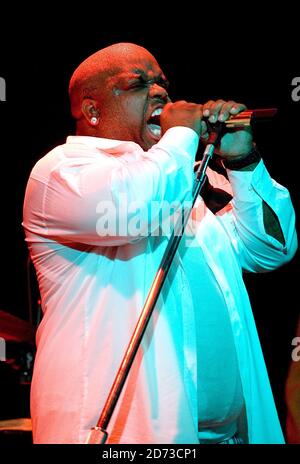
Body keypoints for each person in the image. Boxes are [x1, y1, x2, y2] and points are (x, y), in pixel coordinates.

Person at [22, 42, 297, 444]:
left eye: (163, 83)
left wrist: (242, 161)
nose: (161, 93)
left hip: (228, 436)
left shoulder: (185, 177)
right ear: (93, 110)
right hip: (127, 438)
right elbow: (137, 210)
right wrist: (184, 133)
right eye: (138, 83)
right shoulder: (61, 173)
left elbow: (272, 248)